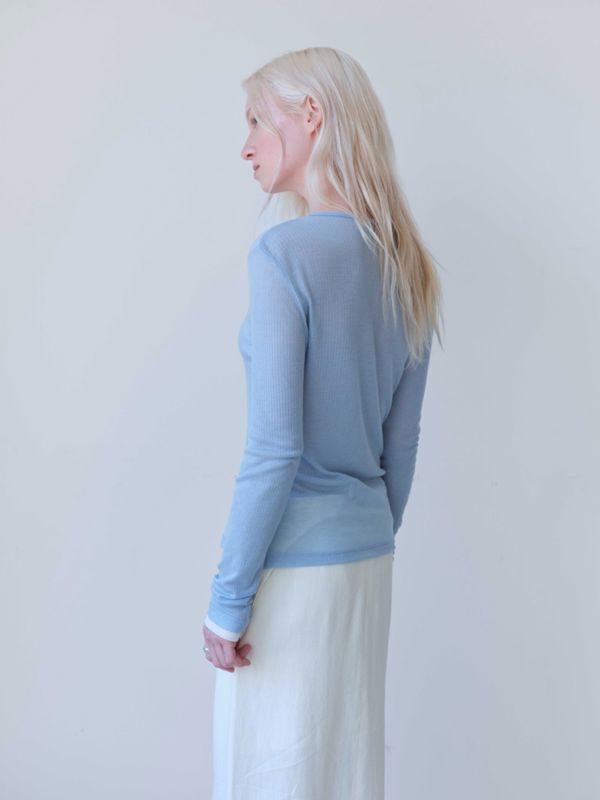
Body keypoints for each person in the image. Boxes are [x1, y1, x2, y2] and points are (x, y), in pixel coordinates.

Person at [202, 46, 444, 799]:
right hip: (366, 566)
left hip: (293, 576)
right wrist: (363, 528)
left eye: (255, 120)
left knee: (269, 778)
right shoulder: (407, 263)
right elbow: (400, 443)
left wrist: (227, 602)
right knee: (343, 775)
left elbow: (275, 448)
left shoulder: (284, 254)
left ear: (310, 115)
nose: (245, 145)